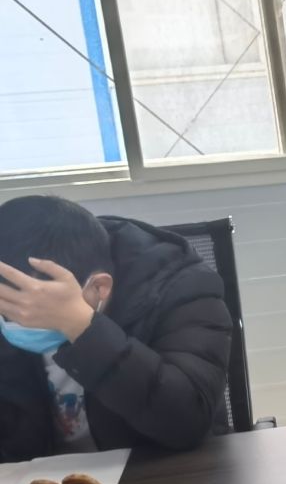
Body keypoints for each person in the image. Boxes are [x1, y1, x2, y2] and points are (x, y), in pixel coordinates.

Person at [0, 196, 233, 462]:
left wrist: (82, 327)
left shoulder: (182, 288)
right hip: (41, 480)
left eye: (41, 307)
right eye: (7, 310)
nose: (19, 320)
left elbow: (187, 423)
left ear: (99, 287)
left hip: (157, 473)